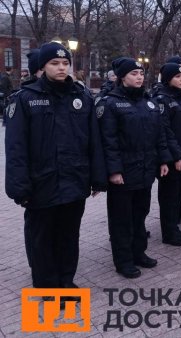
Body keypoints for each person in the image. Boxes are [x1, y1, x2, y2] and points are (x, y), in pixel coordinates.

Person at [5, 42, 106, 289]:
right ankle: (47, 285)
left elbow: (93, 141)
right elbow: (16, 148)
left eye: (65, 63)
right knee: (41, 238)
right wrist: (20, 188)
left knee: (69, 236)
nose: (61, 68)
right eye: (54, 63)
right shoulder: (25, 99)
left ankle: (66, 280)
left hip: (74, 181)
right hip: (42, 184)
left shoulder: (81, 96)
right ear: (43, 66)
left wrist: (97, 177)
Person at [97, 58, 171, 278]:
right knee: (122, 219)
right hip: (124, 172)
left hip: (146, 169)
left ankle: (139, 252)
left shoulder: (147, 102)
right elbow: (108, 140)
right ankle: (123, 260)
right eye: (134, 73)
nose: (139, 77)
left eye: (141, 73)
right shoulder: (109, 103)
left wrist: (163, 160)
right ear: (122, 77)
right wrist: (114, 170)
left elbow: (159, 135)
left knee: (140, 214)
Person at [154, 63, 181, 244]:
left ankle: (174, 227)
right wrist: (176, 156)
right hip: (172, 157)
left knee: (177, 194)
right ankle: (169, 233)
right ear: (167, 78)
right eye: (177, 76)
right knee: (169, 196)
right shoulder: (162, 99)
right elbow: (164, 131)